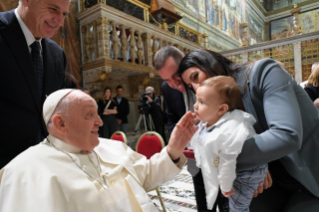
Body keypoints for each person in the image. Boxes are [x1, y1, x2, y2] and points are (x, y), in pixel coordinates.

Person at [0, 89, 199, 212]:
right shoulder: (25, 170)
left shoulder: (111, 146)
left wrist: (173, 149)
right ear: (60, 123)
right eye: (90, 115)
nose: (100, 122)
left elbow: (146, 175)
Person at [177, 49, 319, 212]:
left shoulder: (265, 71)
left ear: (212, 64)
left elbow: (287, 135)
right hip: (271, 182)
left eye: (196, 77)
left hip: (310, 172)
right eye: (191, 86)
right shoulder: (222, 108)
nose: (196, 87)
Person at [154, 46, 229, 212]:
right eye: (167, 80)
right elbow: (171, 117)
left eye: (175, 76)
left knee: (228, 204)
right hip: (195, 158)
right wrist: (183, 140)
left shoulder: (208, 79)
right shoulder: (168, 88)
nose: (174, 84)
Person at [0, 0, 69, 168]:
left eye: (64, 14)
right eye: (53, 9)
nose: (59, 21)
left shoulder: (58, 54)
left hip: (45, 169)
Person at [190, 76, 268, 211]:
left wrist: (225, 186)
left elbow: (228, 162)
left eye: (201, 102)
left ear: (221, 109)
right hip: (237, 165)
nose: (195, 105)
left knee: (238, 206)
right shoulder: (213, 119)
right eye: (196, 100)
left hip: (249, 172)